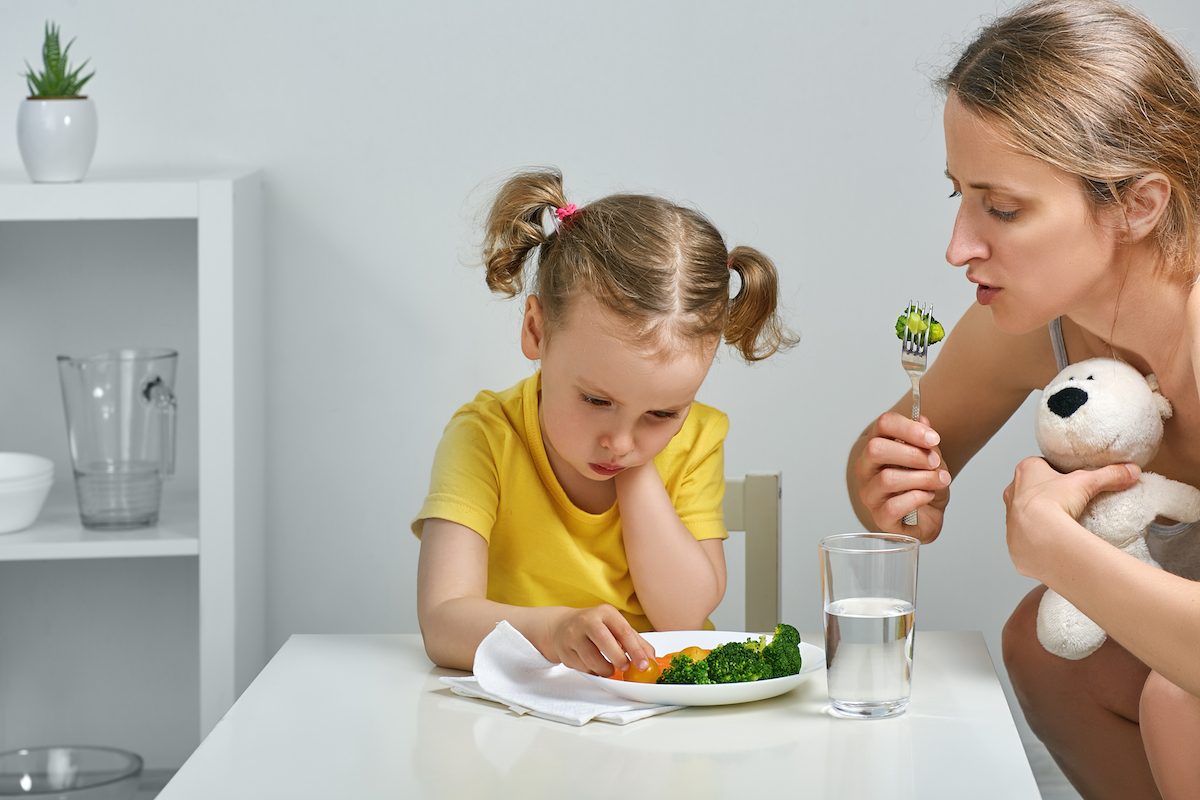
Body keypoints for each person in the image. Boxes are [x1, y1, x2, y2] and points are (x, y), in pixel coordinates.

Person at [845, 1, 1200, 797]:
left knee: (1181, 698)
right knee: (1045, 651)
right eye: (959, 198)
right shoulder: (1031, 325)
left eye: (1002, 208)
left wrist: (1051, 543)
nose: (959, 246)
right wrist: (887, 484)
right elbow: (899, 457)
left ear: (1140, 205)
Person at [415, 168, 794, 678]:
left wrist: (636, 470)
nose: (619, 440)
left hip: (664, 715)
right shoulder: (484, 436)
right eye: (596, 400)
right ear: (536, 331)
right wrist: (554, 632)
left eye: (660, 413)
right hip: (530, 718)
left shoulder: (698, 437)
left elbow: (682, 615)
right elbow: (443, 622)